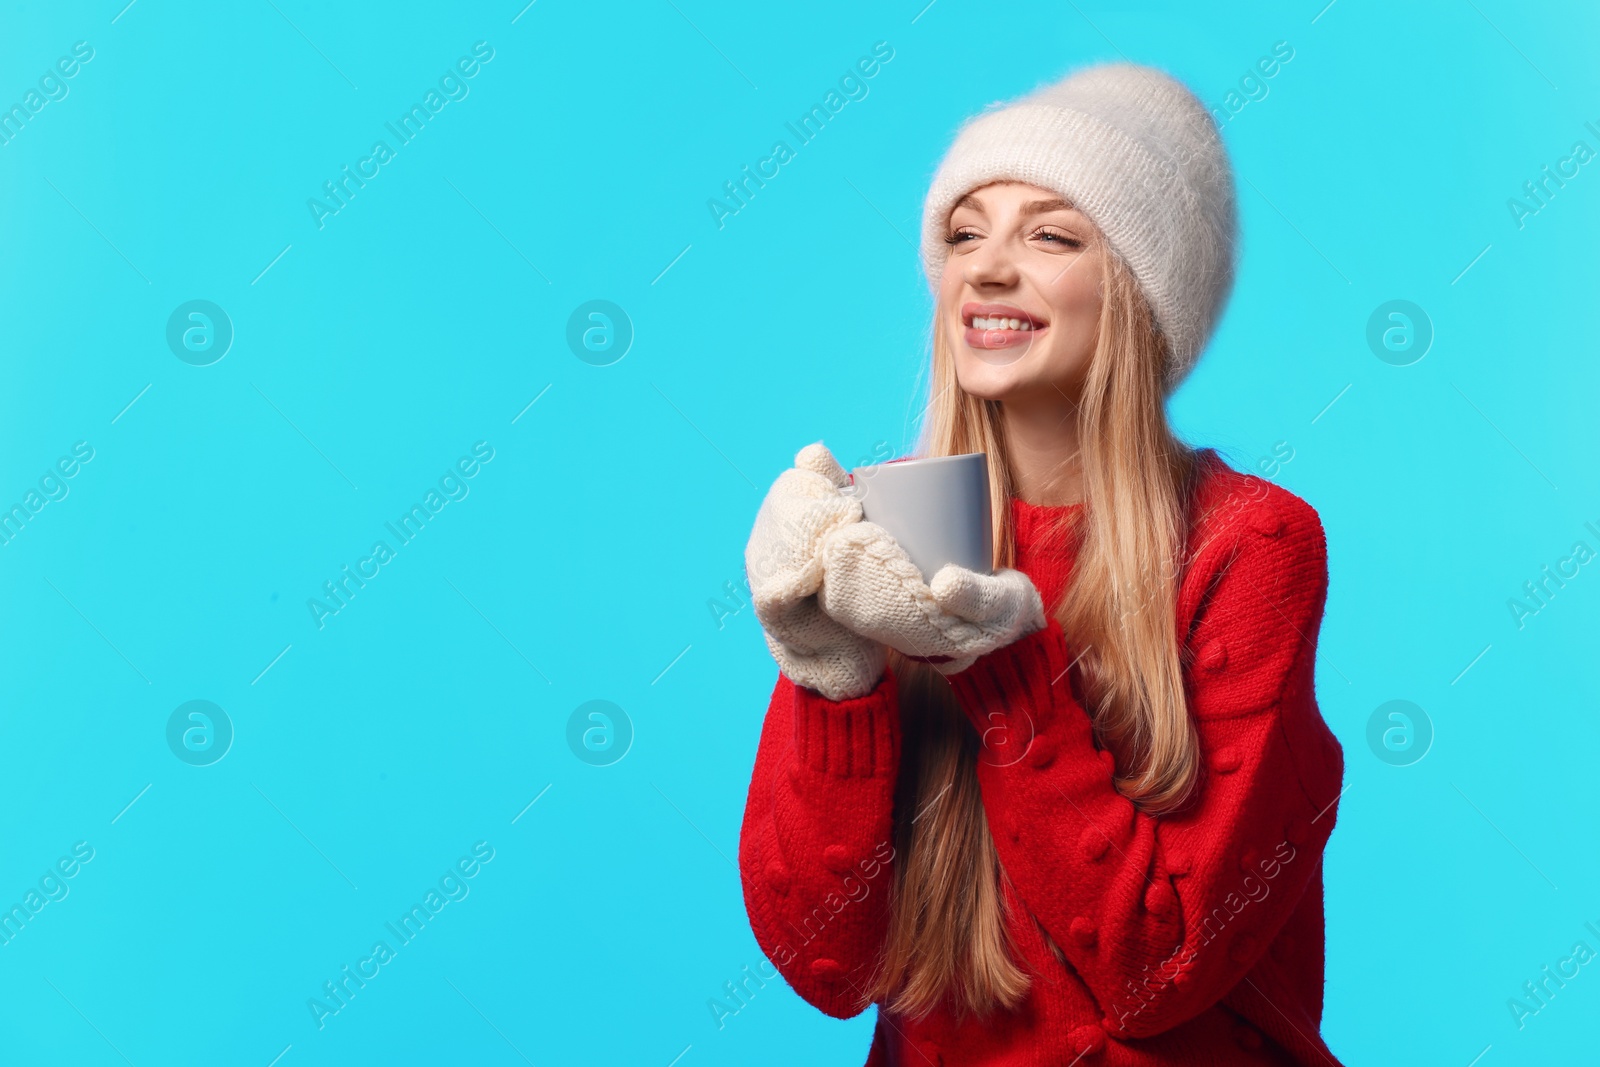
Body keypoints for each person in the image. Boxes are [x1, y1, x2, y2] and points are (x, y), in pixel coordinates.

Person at [737, 62, 1346, 1066]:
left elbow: (1158, 973)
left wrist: (1003, 670)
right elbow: (827, 965)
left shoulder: (1251, 543)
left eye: (1050, 234)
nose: (984, 268)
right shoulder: (883, 524)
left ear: (1143, 294)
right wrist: (829, 680)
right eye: (964, 234)